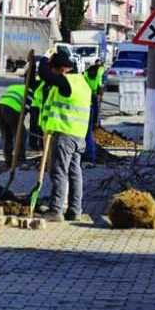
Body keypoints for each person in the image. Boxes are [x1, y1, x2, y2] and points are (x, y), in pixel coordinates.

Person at [38, 53, 92, 222]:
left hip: (65, 135)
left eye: (55, 70)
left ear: (61, 69)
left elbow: (44, 74)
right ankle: (75, 210)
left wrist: (44, 59)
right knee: (75, 172)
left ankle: (56, 210)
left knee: (59, 172)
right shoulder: (82, 83)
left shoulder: (66, 82)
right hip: (79, 136)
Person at [0, 83, 31, 167]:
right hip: (12, 110)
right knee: (21, 135)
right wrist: (22, 119)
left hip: (0, 109)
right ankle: (20, 159)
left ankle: (8, 161)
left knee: (6, 136)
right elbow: (27, 107)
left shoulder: (14, 88)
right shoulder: (31, 91)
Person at [82, 61, 105, 164]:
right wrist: (100, 93)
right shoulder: (100, 71)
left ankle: (95, 123)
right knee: (95, 111)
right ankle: (96, 123)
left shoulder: (87, 73)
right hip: (93, 95)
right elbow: (100, 84)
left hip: (88, 94)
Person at [28, 80, 45, 151]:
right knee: (39, 127)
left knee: (34, 127)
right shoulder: (45, 81)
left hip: (35, 105)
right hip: (38, 106)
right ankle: (38, 146)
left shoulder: (41, 80)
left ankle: (34, 145)